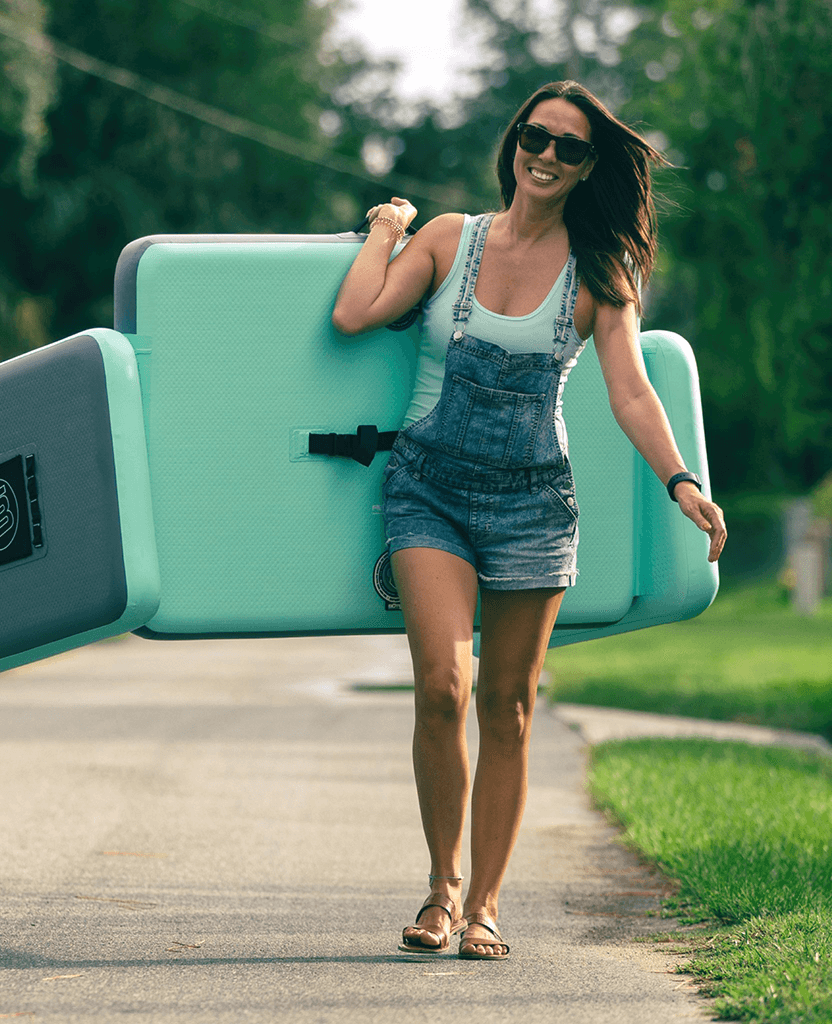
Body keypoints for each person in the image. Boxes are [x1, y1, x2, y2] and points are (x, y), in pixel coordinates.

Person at [331, 81, 727, 961]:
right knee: (445, 687)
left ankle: (487, 907)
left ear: (589, 170)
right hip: (427, 489)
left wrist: (680, 482)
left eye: (570, 149)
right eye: (535, 137)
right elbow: (355, 313)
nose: (546, 156)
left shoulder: (599, 275)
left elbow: (630, 390)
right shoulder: (448, 240)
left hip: (532, 504)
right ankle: (441, 889)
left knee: (508, 707)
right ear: (514, 143)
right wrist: (387, 231)